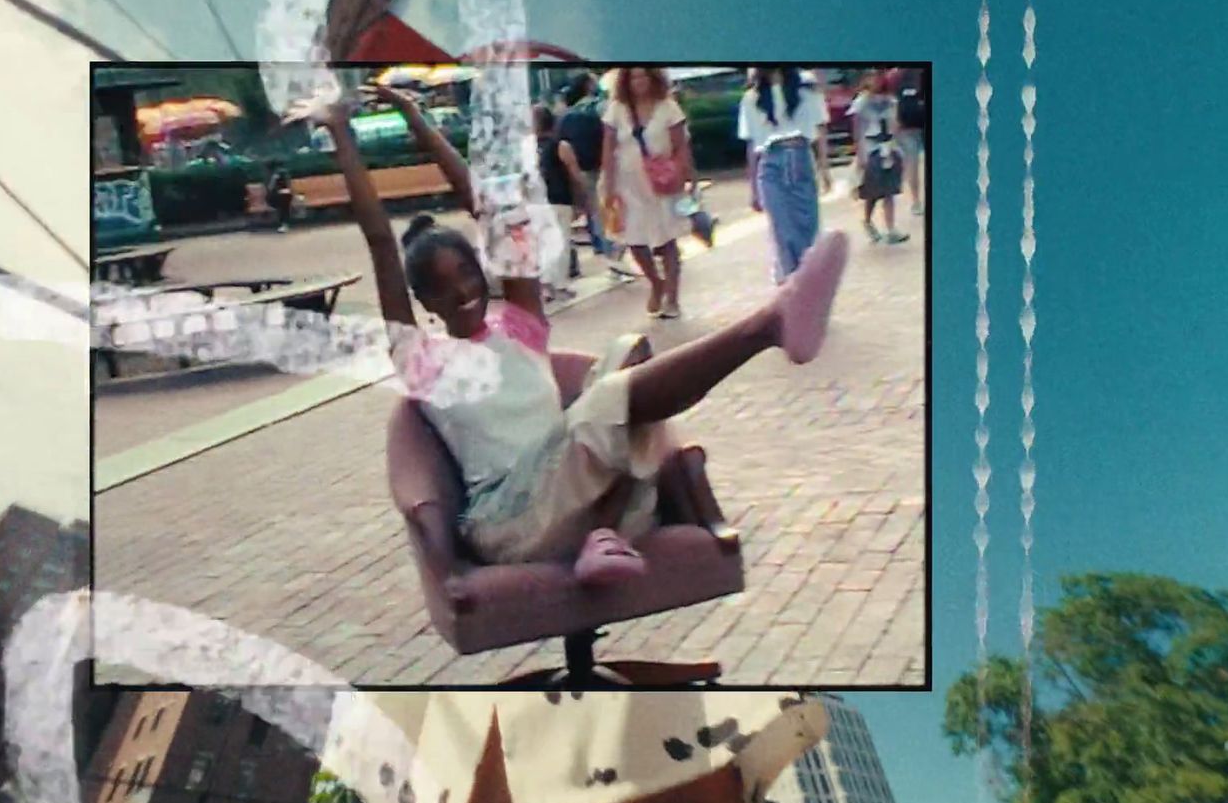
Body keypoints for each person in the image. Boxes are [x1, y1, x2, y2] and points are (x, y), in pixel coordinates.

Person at [304, 83, 850, 581]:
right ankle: (769, 324)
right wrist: (340, 134)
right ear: (423, 301)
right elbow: (379, 239)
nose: (464, 291)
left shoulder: (517, 327)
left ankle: (602, 537)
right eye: (442, 288)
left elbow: (492, 217)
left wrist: (417, 120)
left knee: (626, 357)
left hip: (592, 499)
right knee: (610, 400)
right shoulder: (424, 362)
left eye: (469, 272)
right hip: (511, 524)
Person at [601, 67, 694, 319]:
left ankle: (672, 298)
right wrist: (608, 187)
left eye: (643, 76)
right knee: (634, 239)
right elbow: (608, 150)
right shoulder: (617, 109)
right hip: (628, 187)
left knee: (669, 239)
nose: (638, 81)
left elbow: (681, 146)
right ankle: (656, 282)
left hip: (663, 185)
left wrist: (685, 177)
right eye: (633, 77)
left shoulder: (668, 107)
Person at [740, 68, 831, 284]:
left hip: (800, 156)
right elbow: (752, 143)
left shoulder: (805, 89)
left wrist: (824, 167)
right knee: (782, 227)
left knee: (807, 224)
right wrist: (753, 187)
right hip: (771, 161)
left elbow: (820, 128)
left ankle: (807, 279)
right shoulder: (752, 97)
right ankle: (790, 280)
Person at [558, 73, 633, 278]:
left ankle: (610, 255)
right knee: (621, 210)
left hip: (581, 168)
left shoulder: (566, 114)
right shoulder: (601, 106)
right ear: (588, 85)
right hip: (606, 166)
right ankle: (618, 256)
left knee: (598, 214)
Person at [534, 103, 585, 301]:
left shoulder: (530, 148)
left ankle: (545, 285)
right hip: (559, 198)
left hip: (537, 202)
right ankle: (559, 285)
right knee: (561, 242)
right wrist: (581, 199)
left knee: (543, 243)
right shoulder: (561, 146)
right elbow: (575, 174)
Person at [852, 71, 910, 244]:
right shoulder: (861, 103)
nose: (874, 80)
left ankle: (891, 229)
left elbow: (896, 124)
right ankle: (868, 221)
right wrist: (860, 154)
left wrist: (898, 147)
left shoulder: (891, 101)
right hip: (871, 148)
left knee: (890, 190)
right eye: (870, 77)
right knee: (872, 191)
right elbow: (857, 130)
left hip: (889, 147)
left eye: (876, 76)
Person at [892, 66, 927, 218]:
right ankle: (916, 201)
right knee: (911, 165)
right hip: (906, 129)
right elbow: (891, 103)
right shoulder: (894, 77)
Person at [266, 162, 294, 233]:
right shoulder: (284, 173)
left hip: (280, 196)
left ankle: (284, 224)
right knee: (284, 206)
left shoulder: (275, 174)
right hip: (284, 195)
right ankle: (285, 224)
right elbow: (289, 186)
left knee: (283, 205)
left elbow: (270, 187)